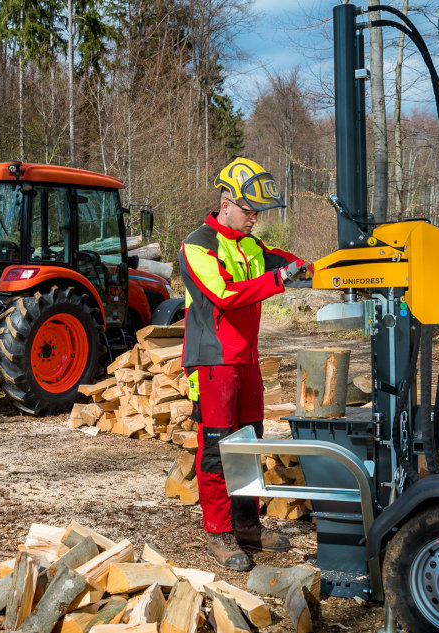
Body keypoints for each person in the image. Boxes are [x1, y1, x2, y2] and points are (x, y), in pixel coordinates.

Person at [178, 158, 308, 571]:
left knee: (249, 443)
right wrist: (281, 279)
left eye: (258, 214)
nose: (255, 220)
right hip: (214, 361)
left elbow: (288, 262)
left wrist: (315, 268)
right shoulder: (197, 245)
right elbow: (226, 294)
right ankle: (219, 534)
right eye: (250, 212)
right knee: (217, 450)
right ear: (226, 204)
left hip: (247, 359)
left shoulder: (251, 245)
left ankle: (248, 525)